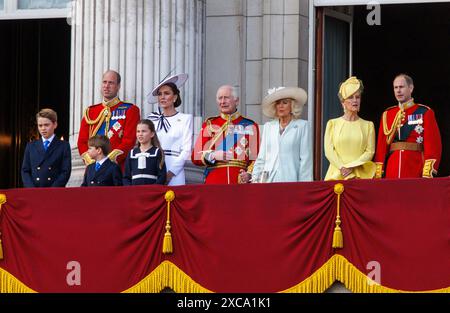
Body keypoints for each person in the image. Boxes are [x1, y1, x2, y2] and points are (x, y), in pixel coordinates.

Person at [374, 74, 442, 178]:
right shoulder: (387, 114)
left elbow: (433, 145)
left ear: (411, 88)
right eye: (395, 87)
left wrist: (428, 171)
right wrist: (379, 170)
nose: (398, 90)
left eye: (401, 87)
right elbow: (381, 147)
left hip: (415, 167)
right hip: (392, 169)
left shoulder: (425, 112)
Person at [240, 87, 312, 183]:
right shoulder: (268, 127)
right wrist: (255, 180)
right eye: (278, 103)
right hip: (268, 181)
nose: (281, 106)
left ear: (292, 106)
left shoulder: (302, 126)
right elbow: (262, 158)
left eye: (285, 103)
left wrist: (304, 186)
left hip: (291, 181)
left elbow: (305, 161)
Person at [191, 85, 260, 184]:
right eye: (220, 98)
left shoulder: (250, 126)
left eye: (226, 98)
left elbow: (257, 157)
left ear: (236, 101)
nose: (222, 102)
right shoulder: (209, 124)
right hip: (214, 182)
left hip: (239, 182)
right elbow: (195, 157)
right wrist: (213, 155)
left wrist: (249, 174)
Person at [77, 70, 140, 170]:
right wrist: (91, 162)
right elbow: (82, 142)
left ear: (118, 86)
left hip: (117, 169)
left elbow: (129, 141)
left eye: (111, 83)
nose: (106, 86)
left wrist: (106, 162)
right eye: (104, 82)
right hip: (93, 170)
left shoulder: (130, 110)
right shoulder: (90, 112)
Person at [324, 77, 376, 180]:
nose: (355, 100)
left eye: (357, 97)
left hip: (360, 176)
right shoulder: (332, 124)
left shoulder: (368, 125)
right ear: (343, 102)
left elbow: (370, 152)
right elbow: (329, 151)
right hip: (336, 175)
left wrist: (351, 167)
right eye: (351, 97)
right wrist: (342, 168)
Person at [146, 73, 192, 185]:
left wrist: (170, 173)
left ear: (175, 97)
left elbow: (186, 150)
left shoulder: (185, 119)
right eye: (160, 94)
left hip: (175, 170)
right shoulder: (152, 119)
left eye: (166, 93)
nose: (162, 97)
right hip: (153, 167)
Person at [21, 108, 72, 188]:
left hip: (54, 192)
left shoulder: (63, 146)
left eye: (46, 125)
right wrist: (31, 189)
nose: (43, 128)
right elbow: (25, 170)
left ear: (55, 124)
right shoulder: (31, 146)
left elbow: (65, 171)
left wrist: (52, 190)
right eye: (40, 125)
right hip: (34, 192)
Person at [123, 120, 167, 185]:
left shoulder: (157, 152)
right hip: (134, 191)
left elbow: (162, 176)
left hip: (151, 191)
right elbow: (126, 177)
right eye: (138, 131)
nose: (140, 134)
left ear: (152, 134)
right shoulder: (132, 153)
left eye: (143, 131)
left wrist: (153, 189)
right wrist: (130, 190)